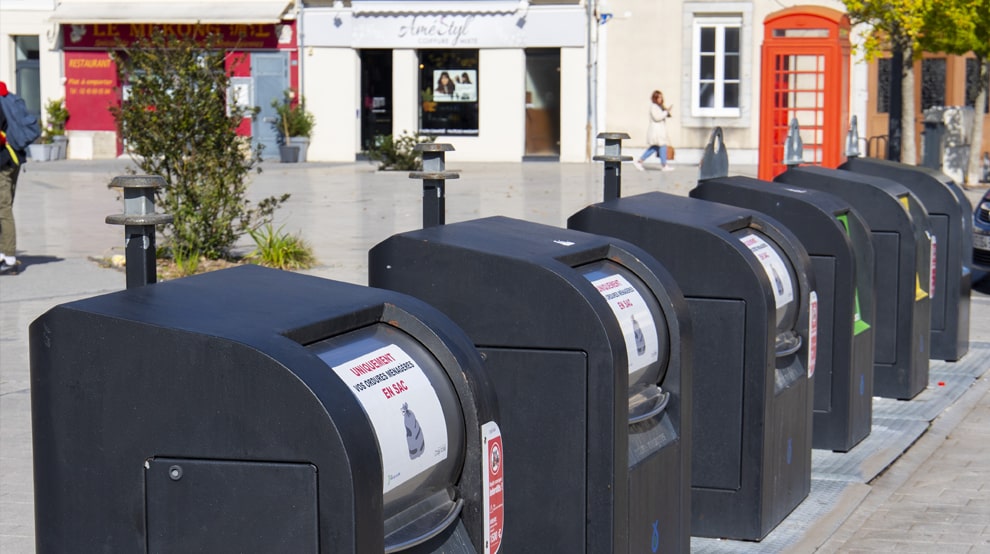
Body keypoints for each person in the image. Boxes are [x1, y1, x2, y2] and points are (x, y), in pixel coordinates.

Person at [0, 81, 26, 276]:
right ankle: (3, 253)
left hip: (3, 161)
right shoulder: (9, 97)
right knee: (4, 206)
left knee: (3, 209)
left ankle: (9, 259)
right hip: (15, 158)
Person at [633, 90, 674, 172]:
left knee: (655, 147)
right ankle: (664, 165)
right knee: (661, 146)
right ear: (655, 98)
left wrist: (666, 112)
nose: (661, 99)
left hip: (659, 131)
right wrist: (666, 112)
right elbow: (657, 117)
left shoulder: (659, 106)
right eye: (659, 97)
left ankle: (640, 161)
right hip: (656, 131)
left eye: (661, 97)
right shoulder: (653, 107)